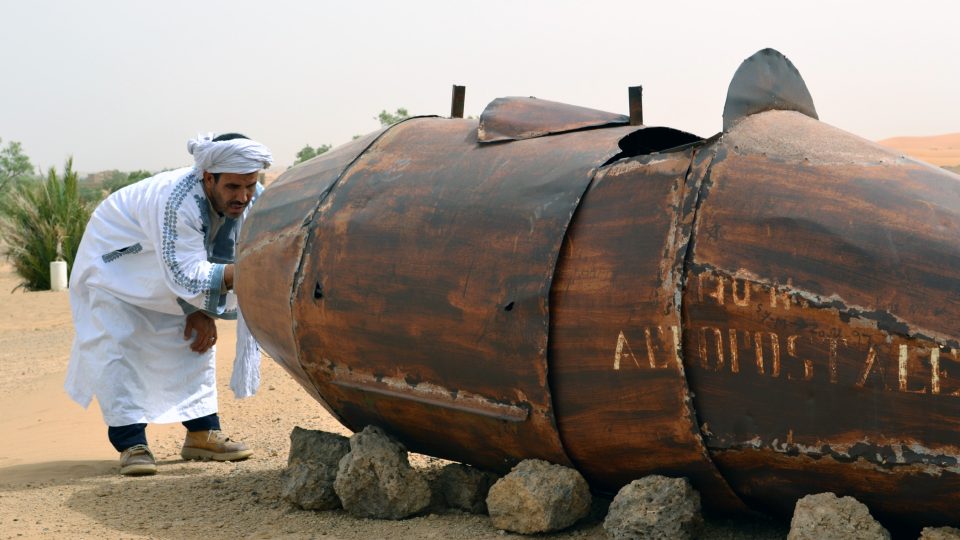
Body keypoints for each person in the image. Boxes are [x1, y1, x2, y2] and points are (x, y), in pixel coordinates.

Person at [64, 132, 271, 476]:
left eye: (250, 185)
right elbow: (186, 274)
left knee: (195, 343)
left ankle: (202, 433)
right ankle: (131, 443)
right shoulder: (177, 201)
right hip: (119, 261)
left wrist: (202, 310)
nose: (244, 196)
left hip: (165, 262)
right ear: (209, 178)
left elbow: (211, 256)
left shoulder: (252, 198)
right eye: (233, 187)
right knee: (119, 345)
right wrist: (232, 283)